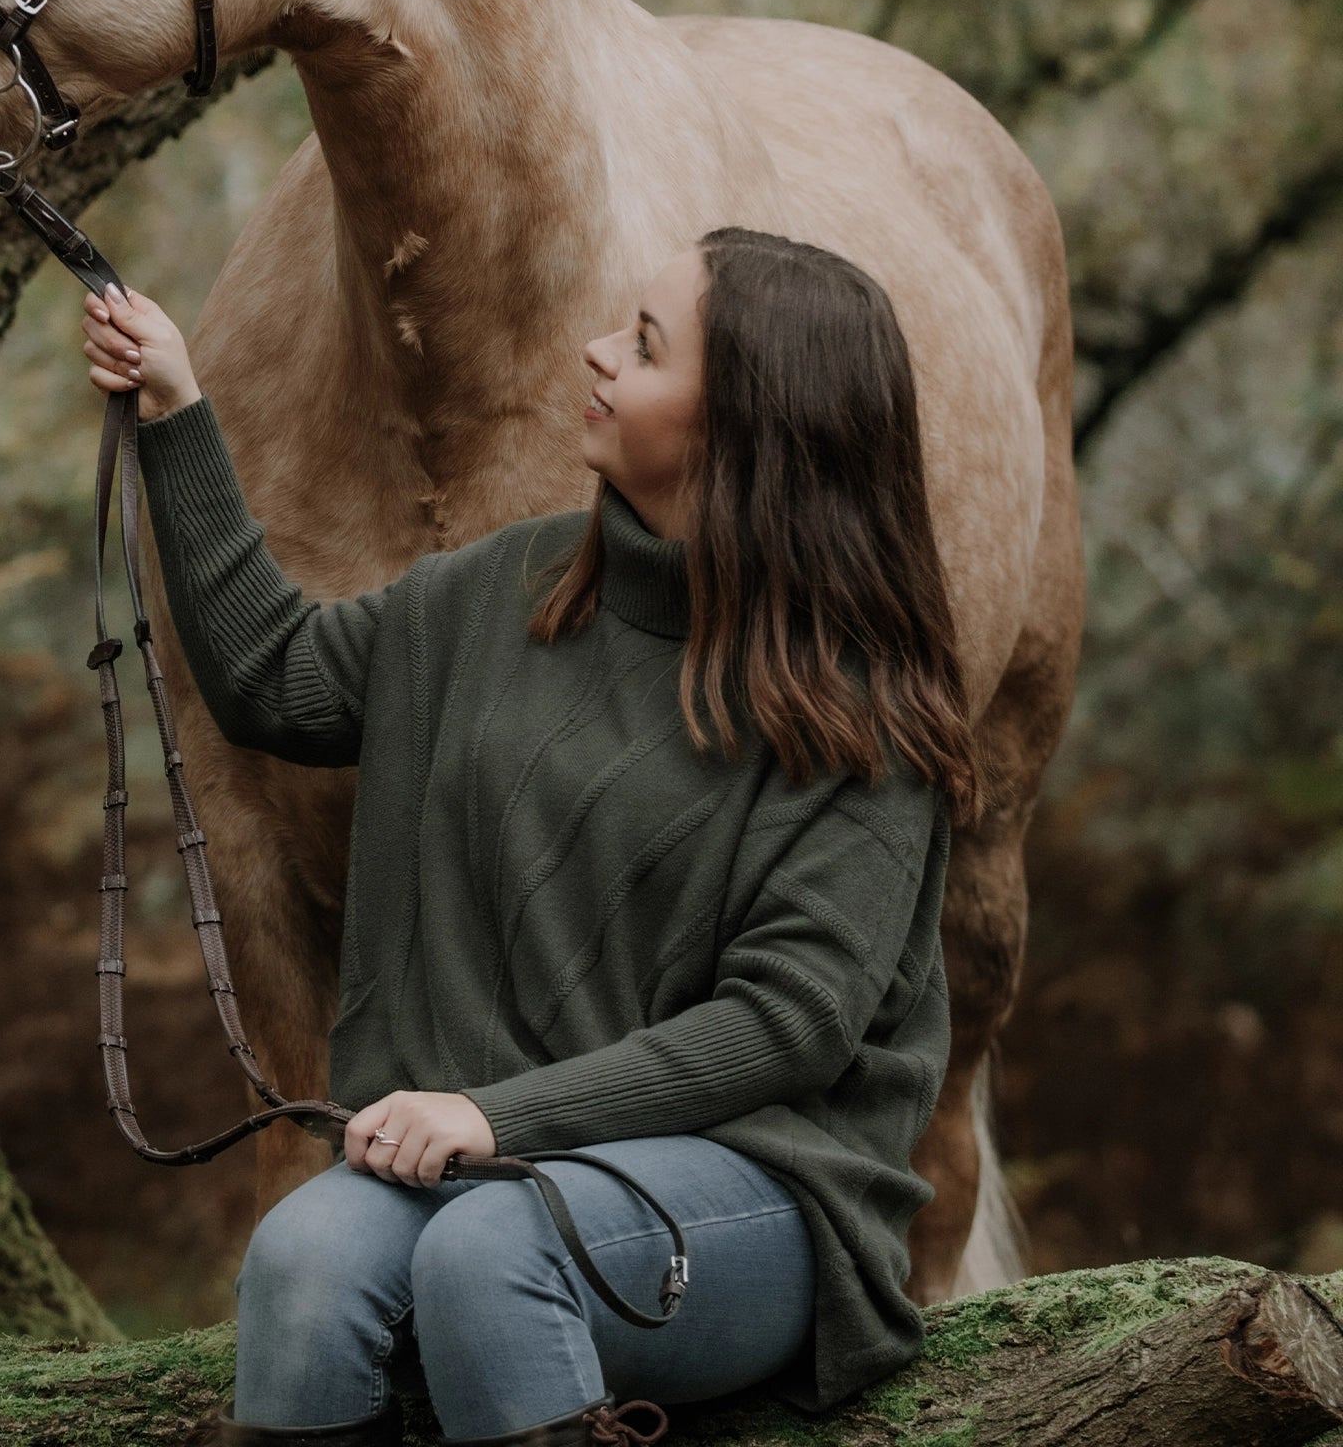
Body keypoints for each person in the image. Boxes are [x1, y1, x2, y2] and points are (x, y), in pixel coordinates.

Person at [80, 227, 977, 1447]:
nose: (597, 354)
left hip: (762, 1188)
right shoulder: (508, 587)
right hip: (491, 1170)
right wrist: (176, 411)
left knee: (494, 1253)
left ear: (745, 430)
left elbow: (787, 1022)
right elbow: (269, 676)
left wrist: (494, 1115)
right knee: (302, 1254)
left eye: (646, 345)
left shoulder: (858, 713)